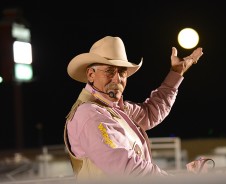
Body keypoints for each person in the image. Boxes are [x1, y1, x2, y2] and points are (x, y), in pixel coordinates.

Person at [64, 36, 205, 180]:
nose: (117, 79)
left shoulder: (114, 110)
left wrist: (176, 72)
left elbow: (151, 112)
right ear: (91, 74)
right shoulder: (90, 114)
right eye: (110, 71)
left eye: (122, 72)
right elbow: (126, 167)